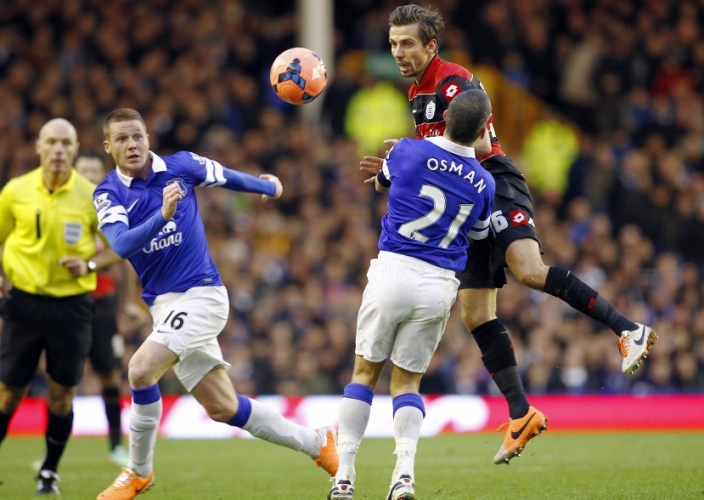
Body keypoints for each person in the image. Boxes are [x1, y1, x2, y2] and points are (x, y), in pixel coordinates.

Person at [359, 3, 657, 465]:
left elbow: (477, 141)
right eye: (394, 44)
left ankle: (628, 329)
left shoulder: (454, 81)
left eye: (407, 44)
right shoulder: (416, 92)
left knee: (529, 270)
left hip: (491, 180)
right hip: (462, 192)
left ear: (430, 46)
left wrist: (418, 151)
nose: (398, 52)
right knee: (475, 312)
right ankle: (520, 413)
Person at [93, 108, 338, 500]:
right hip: (164, 307)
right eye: (121, 139)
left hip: (203, 295)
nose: (132, 144)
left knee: (140, 370)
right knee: (223, 407)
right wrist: (162, 216)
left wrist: (266, 187)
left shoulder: (181, 166)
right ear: (108, 147)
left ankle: (138, 471)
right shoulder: (108, 193)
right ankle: (318, 443)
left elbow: (224, 175)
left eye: (137, 135)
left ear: (148, 137)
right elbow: (121, 244)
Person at [329, 90, 496, 500]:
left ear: (446, 117)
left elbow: (383, 181)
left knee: (364, 375)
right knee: (407, 383)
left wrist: (393, 168)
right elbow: (478, 234)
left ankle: (344, 477)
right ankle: (403, 475)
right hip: (438, 283)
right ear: (483, 130)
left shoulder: (408, 150)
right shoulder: (486, 183)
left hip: (394, 269)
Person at [0, 118, 122, 495]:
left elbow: (119, 247)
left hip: (72, 308)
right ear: (38, 147)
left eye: (65, 143)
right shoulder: (15, 191)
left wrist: (89, 265)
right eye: (51, 142)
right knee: (8, 393)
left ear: (75, 149)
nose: (57, 150)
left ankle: (49, 471)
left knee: (61, 395)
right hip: (24, 304)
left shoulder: (93, 196)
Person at [75, 151, 129, 467]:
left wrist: (128, 303)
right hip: (69, 301)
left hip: (104, 305)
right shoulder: (63, 210)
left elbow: (124, 259)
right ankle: (51, 452)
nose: (89, 176)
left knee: (110, 374)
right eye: (84, 170)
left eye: (94, 171)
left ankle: (115, 445)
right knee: (62, 377)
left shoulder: (111, 210)